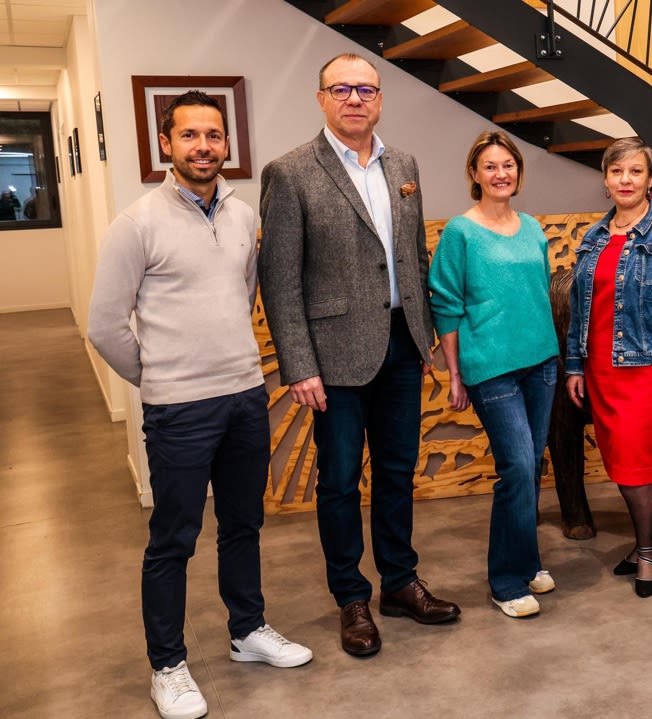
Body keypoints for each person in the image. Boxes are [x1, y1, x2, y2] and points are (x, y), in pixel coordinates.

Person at [88, 90, 312, 719]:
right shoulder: (137, 223)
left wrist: (224, 367)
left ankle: (247, 631)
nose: (204, 147)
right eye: (190, 136)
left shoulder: (242, 218)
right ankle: (168, 665)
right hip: (179, 410)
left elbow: (241, 298)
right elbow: (105, 326)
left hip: (243, 396)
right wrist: (161, 377)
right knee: (174, 540)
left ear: (226, 144)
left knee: (244, 524)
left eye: (214, 136)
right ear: (167, 144)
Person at [258, 54, 459, 657]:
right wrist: (299, 364)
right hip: (332, 356)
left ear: (379, 98)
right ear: (321, 98)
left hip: (401, 344)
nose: (354, 98)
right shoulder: (290, 172)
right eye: (341, 88)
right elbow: (280, 279)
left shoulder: (404, 164)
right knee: (341, 482)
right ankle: (351, 597)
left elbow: (414, 256)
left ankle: (399, 582)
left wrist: (424, 337)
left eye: (365, 89)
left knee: (399, 473)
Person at [564, 138, 652, 598]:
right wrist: (574, 366)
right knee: (621, 463)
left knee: (638, 467)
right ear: (606, 182)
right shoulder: (594, 236)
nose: (626, 180)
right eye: (617, 172)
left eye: (636, 172)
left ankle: (647, 552)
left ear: (650, 180)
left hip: (649, 371)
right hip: (601, 369)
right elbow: (581, 307)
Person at [428, 131, 560, 617]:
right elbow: (445, 303)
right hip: (491, 369)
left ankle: (526, 562)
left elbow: (539, 292)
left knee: (531, 465)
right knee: (518, 466)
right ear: (474, 175)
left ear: (518, 173)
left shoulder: (532, 228)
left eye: (508, 165)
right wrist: (456, 375)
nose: (500, 173)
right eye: (490, 166)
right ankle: (505, 581)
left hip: (542, 362)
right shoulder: (461, 233)